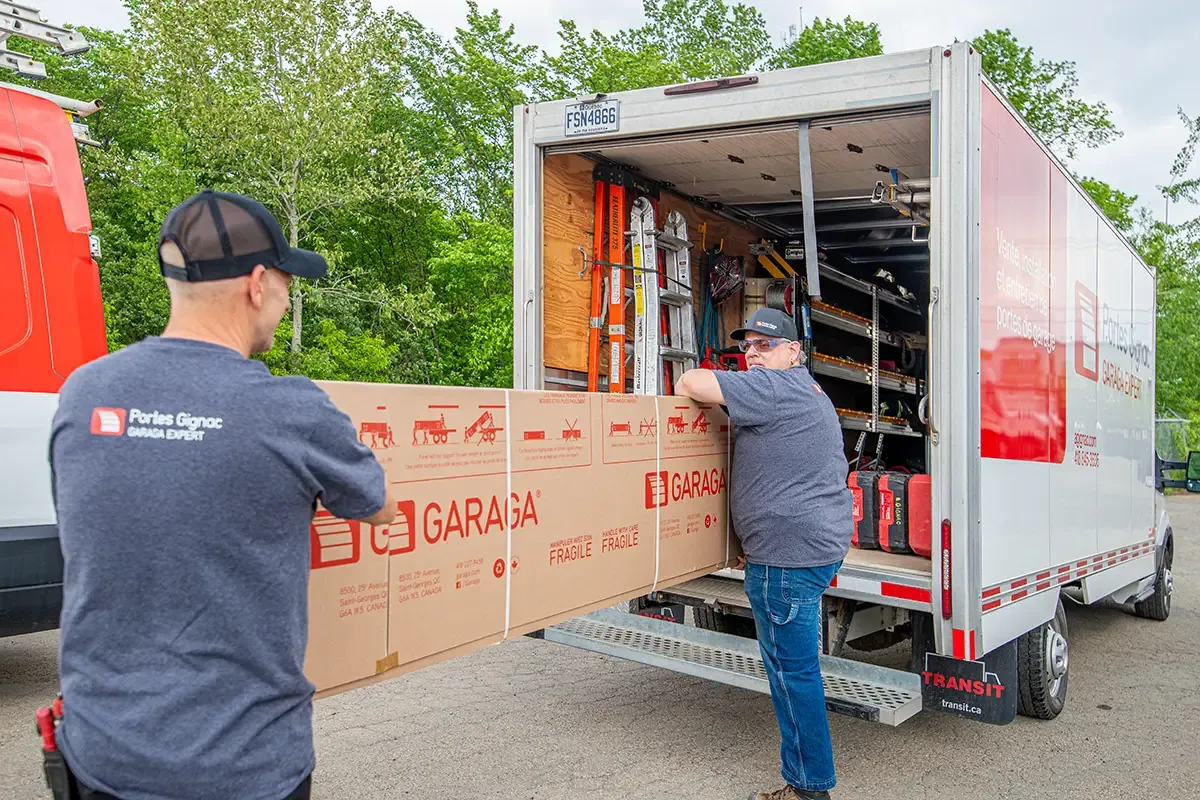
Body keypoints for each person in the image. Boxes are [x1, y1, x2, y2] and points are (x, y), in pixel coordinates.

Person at [48, 189, 398, 800]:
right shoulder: (290, 410)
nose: (287, 301)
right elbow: (379, 506)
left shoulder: (84, 393)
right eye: (289, 284)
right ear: (258, 283)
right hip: (245, 764)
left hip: (102, 753)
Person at [675, 307, 852, 800]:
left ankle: (809, 788)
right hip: (810, 547)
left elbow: (694, 382)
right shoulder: (809, 391)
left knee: (794, 677)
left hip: (787, 560)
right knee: (796, 672)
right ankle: (809, 782)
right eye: (748, 346)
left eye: (765, 345)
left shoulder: (776, 389)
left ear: (794, 351)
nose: (752, 354)